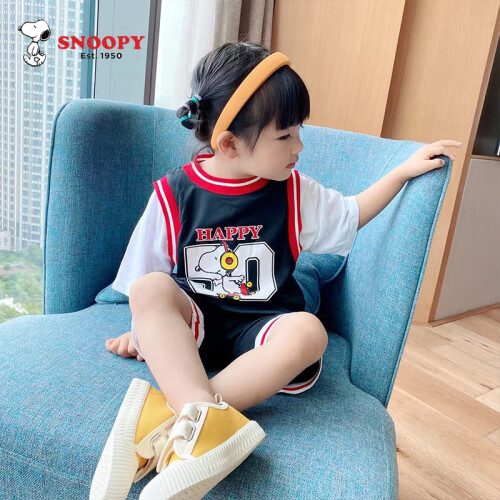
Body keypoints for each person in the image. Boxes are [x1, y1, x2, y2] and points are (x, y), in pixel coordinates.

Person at [91, 42, 462, 500]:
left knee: (308, 332)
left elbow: (352, 214)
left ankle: (180, 418)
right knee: (150, 288)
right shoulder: (173, 194)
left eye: (298, 131)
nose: (299, 147)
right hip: (195, 323)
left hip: (264, 328)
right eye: (285, 136)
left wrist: (401, 173)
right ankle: (200, 422)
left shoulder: (294, 192)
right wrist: (144, 330)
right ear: (229, 144)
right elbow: (145, 283)